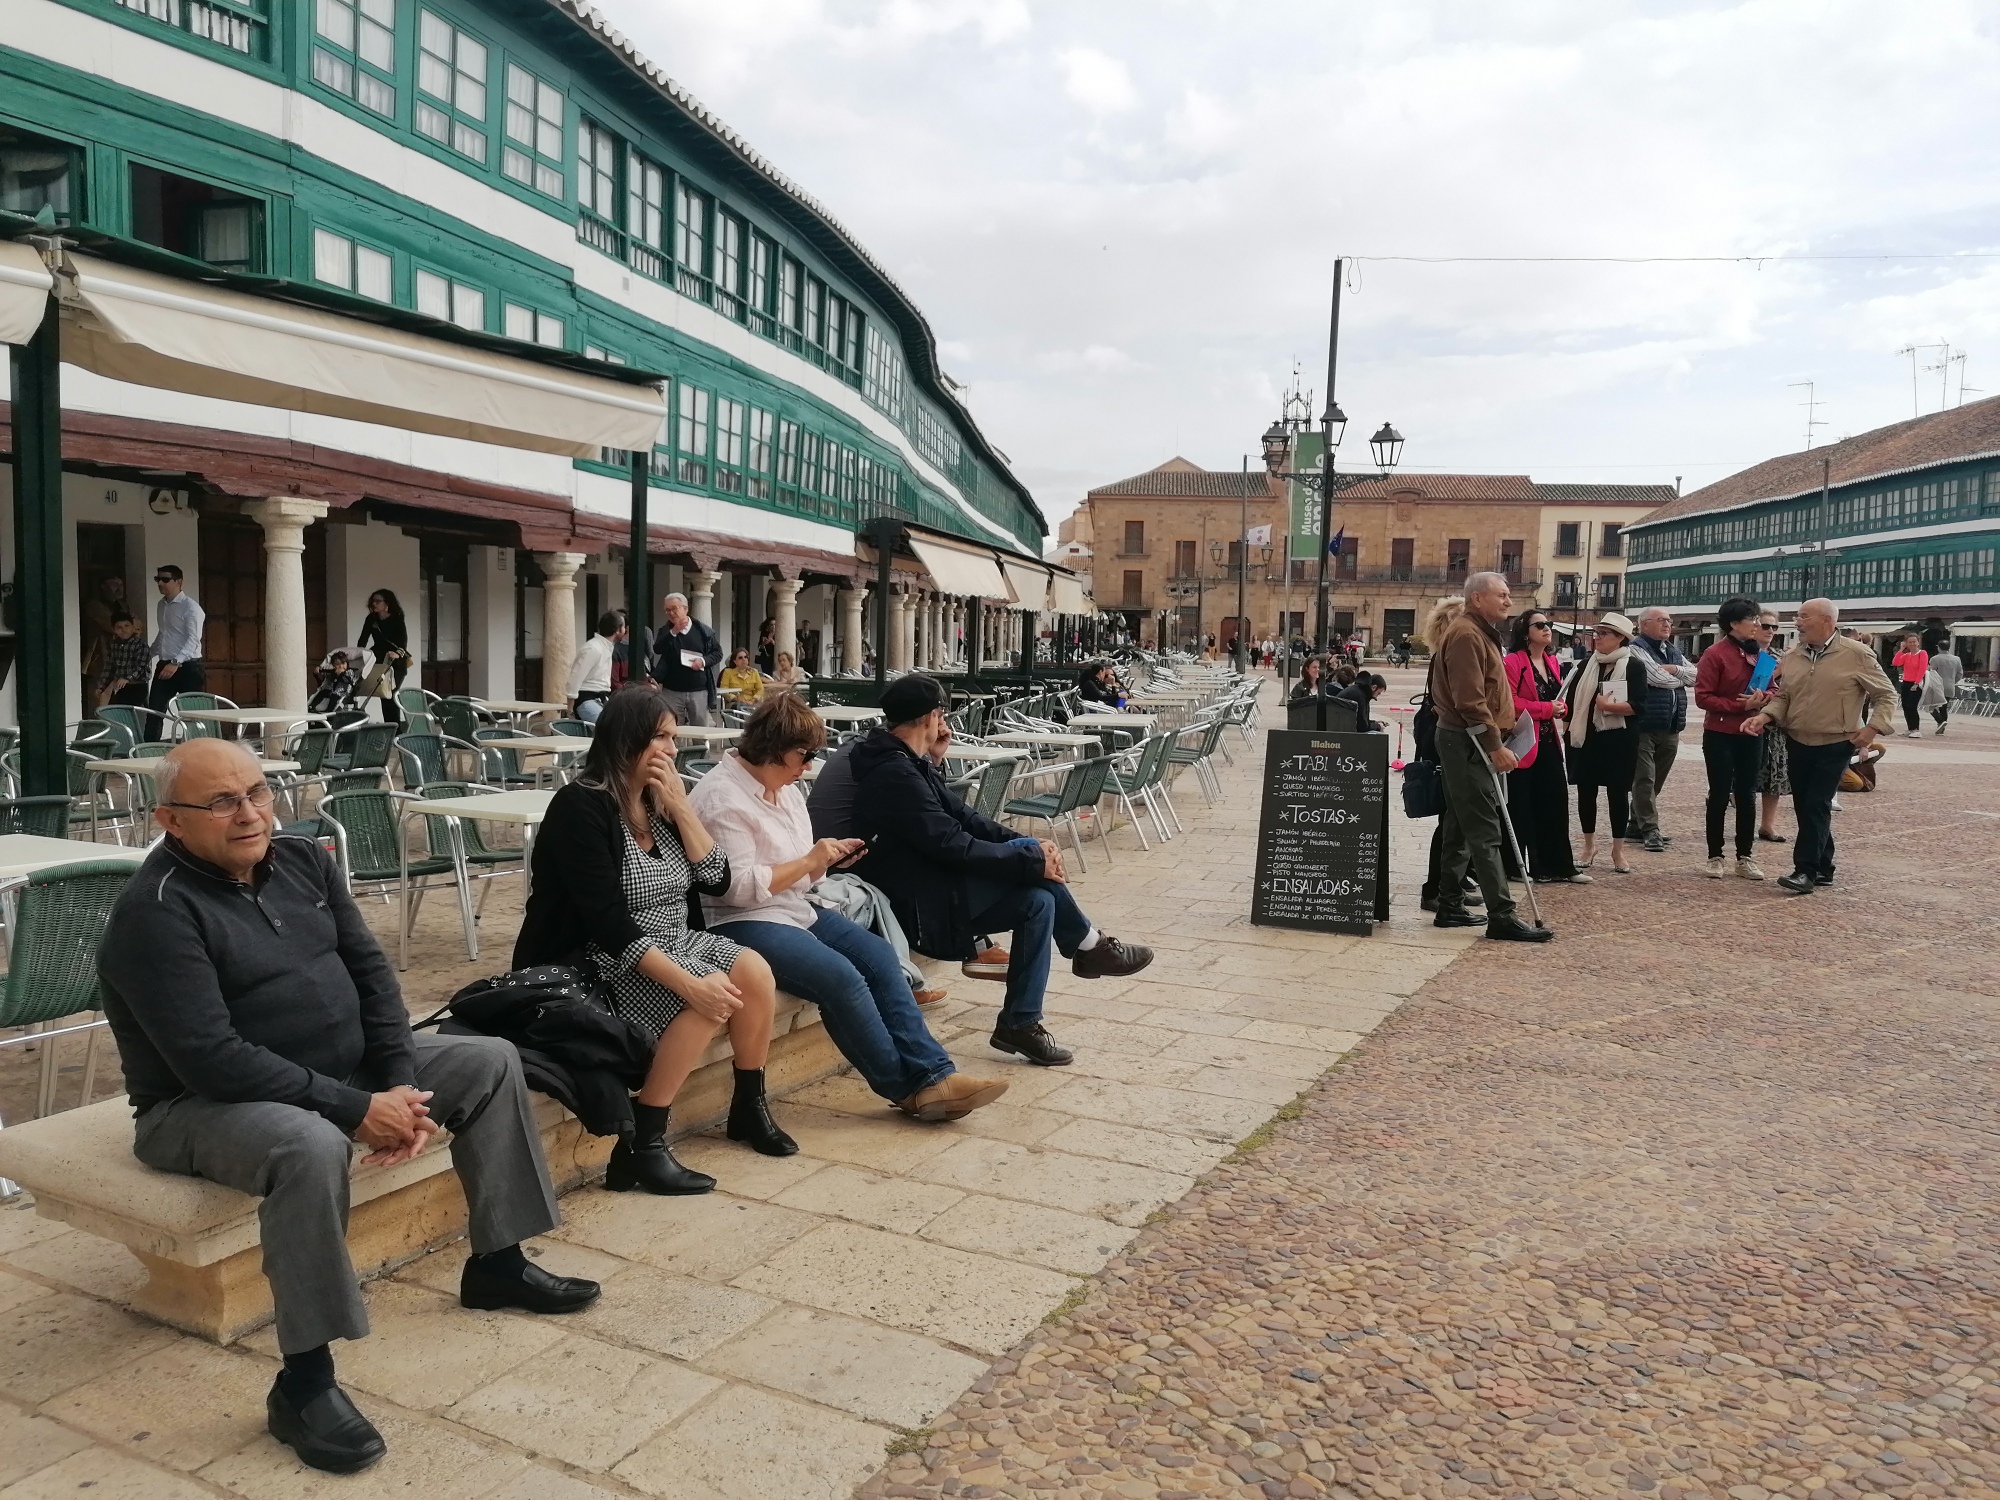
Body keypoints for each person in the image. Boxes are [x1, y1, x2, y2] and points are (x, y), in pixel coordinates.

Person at [99, 740, 597, 1475]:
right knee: (310, 1145)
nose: (250, 814)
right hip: (197, 1105)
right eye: (222, 802)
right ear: (171, 819)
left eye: (258, 792)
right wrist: (356, 1109)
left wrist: (399, 1088)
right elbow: (211, 1058)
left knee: (490, 1059)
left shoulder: (304, 860)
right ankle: (304, 1384)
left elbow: (371, 976)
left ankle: (498, 1263)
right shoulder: (157, 912)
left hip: (344, 1069)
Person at [514, 689, 795, 1196]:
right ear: (627, 739)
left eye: (673, 738)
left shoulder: (658, 801)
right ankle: (643, 1143)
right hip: (599, 957)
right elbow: (607, 924)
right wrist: (690, 985)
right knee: (709, 998)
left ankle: (748, 1106)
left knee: (754, 971)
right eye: (660, 737)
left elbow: (716, 878)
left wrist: (682, 809)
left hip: (674, 939)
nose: (671, 749)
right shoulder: (581, 807)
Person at [691, 694, 1008, 1120]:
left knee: (880, 957)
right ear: (774, 748)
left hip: (793, 906)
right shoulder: (722, 799)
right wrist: (811, 860)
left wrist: (826, 862)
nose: (809, 766)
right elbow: (737, 889)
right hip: (737, 920)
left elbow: (802, 870)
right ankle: (908, 1088)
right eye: (805, 755)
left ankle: (935, 1074)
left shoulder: (784, 789)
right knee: (841, 977)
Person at [849, 674, 1154, 1065]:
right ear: (929, 717)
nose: (944, 721)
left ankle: (1021, 1022)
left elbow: (966, 820)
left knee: (1039, 902)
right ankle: (1089, 947)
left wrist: (1032, 846)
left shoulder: (907, 764)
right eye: (941, 713)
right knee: (1033, 871)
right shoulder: (895, 773)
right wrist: (1030, 858)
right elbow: (950, 842)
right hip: (917, 909)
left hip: (934, 891)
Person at [1428, 572, 1550, 941]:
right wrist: (1494, 746)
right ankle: (1502, 915)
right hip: (1468, 742)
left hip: (1466, 740)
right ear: (1478, 598)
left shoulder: (1478, 633)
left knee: (1459, 825)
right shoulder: (1467, 635)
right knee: (1485, 830)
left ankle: (1449, 904)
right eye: (1502, 595)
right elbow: (1470, 700)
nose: (1509, 601)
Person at [1743, 599, 1896, 894]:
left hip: (1836, 741)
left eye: (1804, 616)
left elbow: (1886, 694)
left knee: (1816, 803)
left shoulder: (1856, 654)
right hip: (1798, 739)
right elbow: (1784, 696)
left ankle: (1805, 871)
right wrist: (1765, 715)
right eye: (1797, 616)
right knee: (1806, 805)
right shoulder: (1793, 655)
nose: (1797, 622)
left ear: (1827, 620)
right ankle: (1824, 866)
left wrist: (1873, 728)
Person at [1561, 612, 1650, 874]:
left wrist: (1611, 707)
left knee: (1617, 794)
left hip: (1619, 740)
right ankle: (1589, 846)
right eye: (1596, 633)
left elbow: (1640, 706)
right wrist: (1566, 734)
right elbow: (1570, 703)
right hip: (1585, 738)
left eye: (1603, 633)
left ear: (1620, 638)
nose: (1597, 638)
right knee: (1586, 792)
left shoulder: (1633, 666)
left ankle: (1617, 850)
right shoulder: (1584, 665)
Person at [1693, 597, 1772, 881]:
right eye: (1753, 619)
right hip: (1720, 733)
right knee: (1719, 793)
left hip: (1752, 732)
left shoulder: (1761, 656)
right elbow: (1703, 697)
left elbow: (1774, 689)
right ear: (1734, 624)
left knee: (1747, 794)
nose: (1757, 624)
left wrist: (1764, 698)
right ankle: (1715, 855)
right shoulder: (1715, 654)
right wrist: (1740, 705)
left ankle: (1745, 857)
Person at [1502, 611, 1584, 883]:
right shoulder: (1513, 662)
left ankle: (1557, 866)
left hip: (1548, 743)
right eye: (1540, 625)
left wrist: (1561, 708)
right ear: (1525, 632)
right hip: (1523, 744)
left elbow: (1555, 698)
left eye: (1548, 624)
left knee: (1554, 802)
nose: (1547, 628)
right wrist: (1547, 709)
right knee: (1521, 806)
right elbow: (1509, 702)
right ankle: (1516, 867)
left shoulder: (1551, 661)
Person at [1628, 606, 1696, 853]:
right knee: (1644, 777)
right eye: (1661, 620)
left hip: (1671, 723)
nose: (1667, 624)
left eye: (1669, 620)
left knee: (1656, 778)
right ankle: (1650, 829)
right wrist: (1679, 678)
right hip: (1645, 724)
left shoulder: (1673, 651)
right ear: (1644, 624)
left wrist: (1675, 670)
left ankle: (1635, 824)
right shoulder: (1636, 649)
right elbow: (1656, 678)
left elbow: (1697, 676)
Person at [146, 563, 207, 734]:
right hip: (165, 664)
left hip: (188, 666)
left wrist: (176, 662)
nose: (160, 583)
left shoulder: (191, 607)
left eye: (165, 580)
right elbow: (164, 634)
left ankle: (197, 746)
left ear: (179, 582)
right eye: (158, 579)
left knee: (193, 714)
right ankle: (149, 747)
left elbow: (194, 639)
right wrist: (148, 654)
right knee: (155, 712)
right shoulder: (161, 605)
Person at [647, 591, 722, 727]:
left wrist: (703, 661)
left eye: (674, 608)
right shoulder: (666, 630)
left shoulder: (703, 631)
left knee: (700, 729)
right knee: (672, 727)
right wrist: (673, 632)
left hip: (698, 689)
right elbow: (657, 649)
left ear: (685, 608)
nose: (671, 613)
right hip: (672, 690)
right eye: (667, 610)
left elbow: (717, 653)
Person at [1753, 611, 1791, 844]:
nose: (1770, 631)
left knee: (1775, 773)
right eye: (1766, 626)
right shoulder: (1745, 654)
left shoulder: (1782, 656)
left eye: (1774, 627)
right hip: (1749, 718)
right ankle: (1743, 822)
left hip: (1776, 723)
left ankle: (1767, 825)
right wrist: (1775, 672)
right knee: (1745, 774)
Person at [356, 590, 411, 728]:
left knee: (390, 694)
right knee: (383, 694)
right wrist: (360, 654)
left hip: (396, 662)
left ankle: (395, 728)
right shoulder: (371, 619)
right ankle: (389, 727)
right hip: (379, 659)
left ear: (387, 603)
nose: (374, 604)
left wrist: (397, 653)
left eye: (378, 601)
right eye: (373, 601)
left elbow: (403, 641)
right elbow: (362, 640)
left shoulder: (397, 617)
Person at [565, 610, 624, 724]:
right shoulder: (592, 648)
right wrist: (570, 711)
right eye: (623, 627)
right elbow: (574, 679)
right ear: (618, 630)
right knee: (606, 727)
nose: (625, 630)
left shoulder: (606, 647)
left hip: (602, 698)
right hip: (586, 700)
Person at [94, 609, 154, 711]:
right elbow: (110, 667)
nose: (124, 630)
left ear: (133, 627)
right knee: (118, 711)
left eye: (127, 626)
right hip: (122, 687)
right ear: (114, 630)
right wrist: (102, 687)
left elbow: (141, 666)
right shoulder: (115, 645)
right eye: (119, 627)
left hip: (138, 685)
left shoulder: (140, 644)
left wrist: (128, 678)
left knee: (129, 711)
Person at [1891, 633, 1929, 737]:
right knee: (1905, 706)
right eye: (1909, 642)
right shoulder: (1906, 655)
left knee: (1912, 706)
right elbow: (1896, 662)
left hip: (1916, 683)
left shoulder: (1922, 653)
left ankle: (1916, 729)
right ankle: (1910, 728)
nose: (1912, 644)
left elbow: (1922, 668)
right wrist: (1901, 650)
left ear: (1918, 642)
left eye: (1914, 641)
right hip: (1905, 682)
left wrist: (1916, 683)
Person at [308, 651, 359, 716]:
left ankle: (330, 712)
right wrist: (317, 672)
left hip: (342, 693)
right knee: (322, 692)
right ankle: (312, 706)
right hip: (331, 691)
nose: (341, 666)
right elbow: (323, 678)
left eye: (343, 663)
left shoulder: (349, 672)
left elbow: (349, 681)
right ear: (334, 665)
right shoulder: (332, 673)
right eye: (338, 664)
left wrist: (341, 674)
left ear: (347, 663)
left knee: (335, 698)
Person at [1929, 643, 1962, 734]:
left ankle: (1940, 721)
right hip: (1950, 686)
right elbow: (1960, 674)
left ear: (1939, 648)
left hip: (1937, 686)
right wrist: (1953, 681)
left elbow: (1932, 672)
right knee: (1944, 707)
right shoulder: (1956, 659)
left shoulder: (1935, 659)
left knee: (1930, 706)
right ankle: (1941, 728)